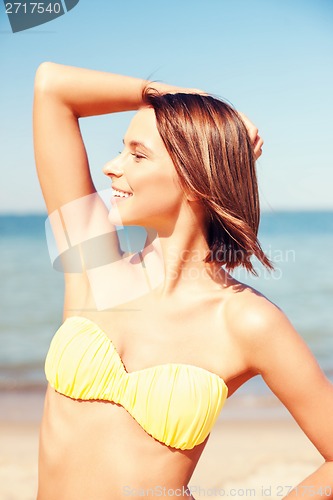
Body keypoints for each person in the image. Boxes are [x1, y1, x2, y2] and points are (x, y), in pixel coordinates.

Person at [33, 62, 333, 500]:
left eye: (137, 154)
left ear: (196, 177)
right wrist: (186, 100)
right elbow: (52, 88)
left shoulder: (246, 321)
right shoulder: (92, 264)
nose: (110, 167)